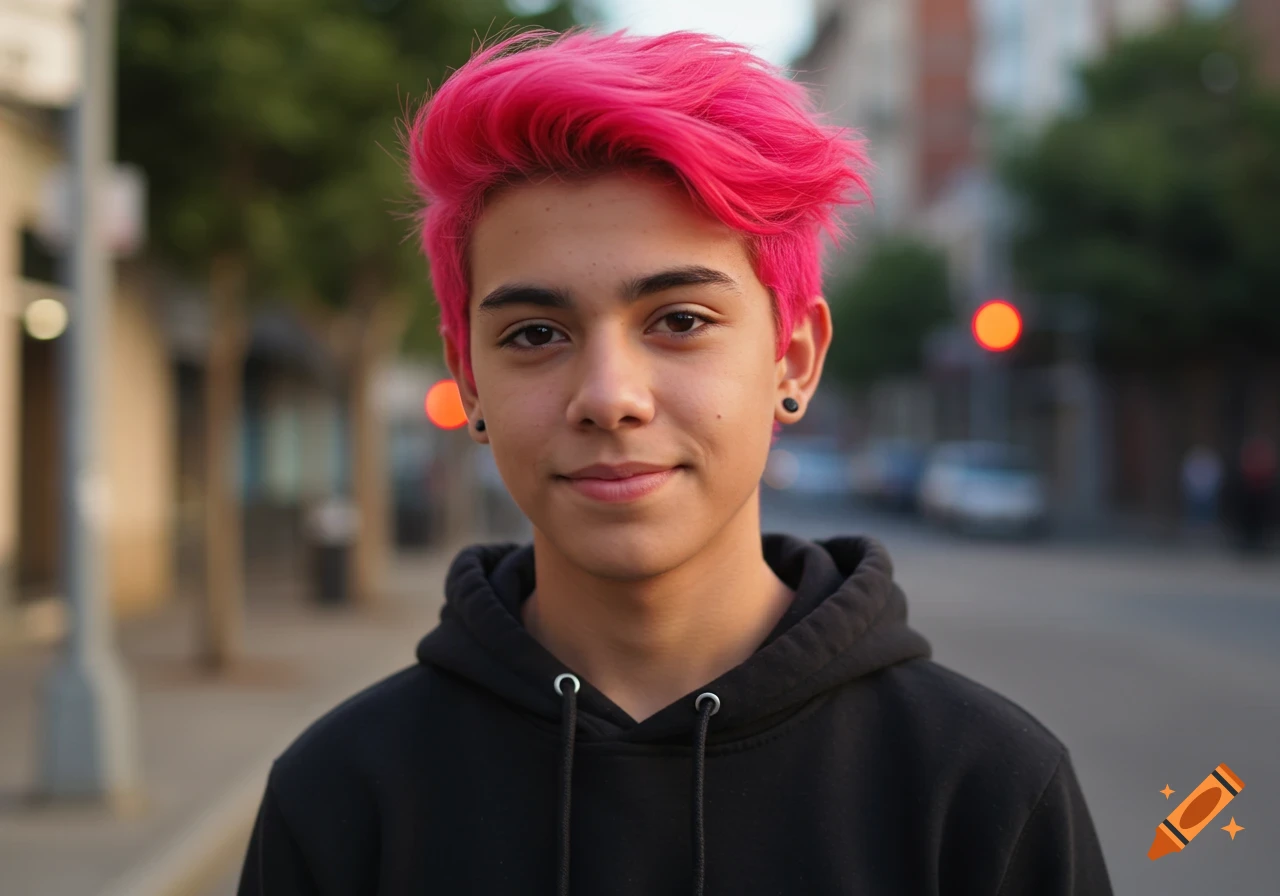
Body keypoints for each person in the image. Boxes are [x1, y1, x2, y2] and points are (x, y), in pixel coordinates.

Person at [237, 27, 1112, 895]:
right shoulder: (341, 800)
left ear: (794, 358)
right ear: (468, 378)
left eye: (680, 321)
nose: (609, 396)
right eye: (535, 335)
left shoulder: (984, 793)